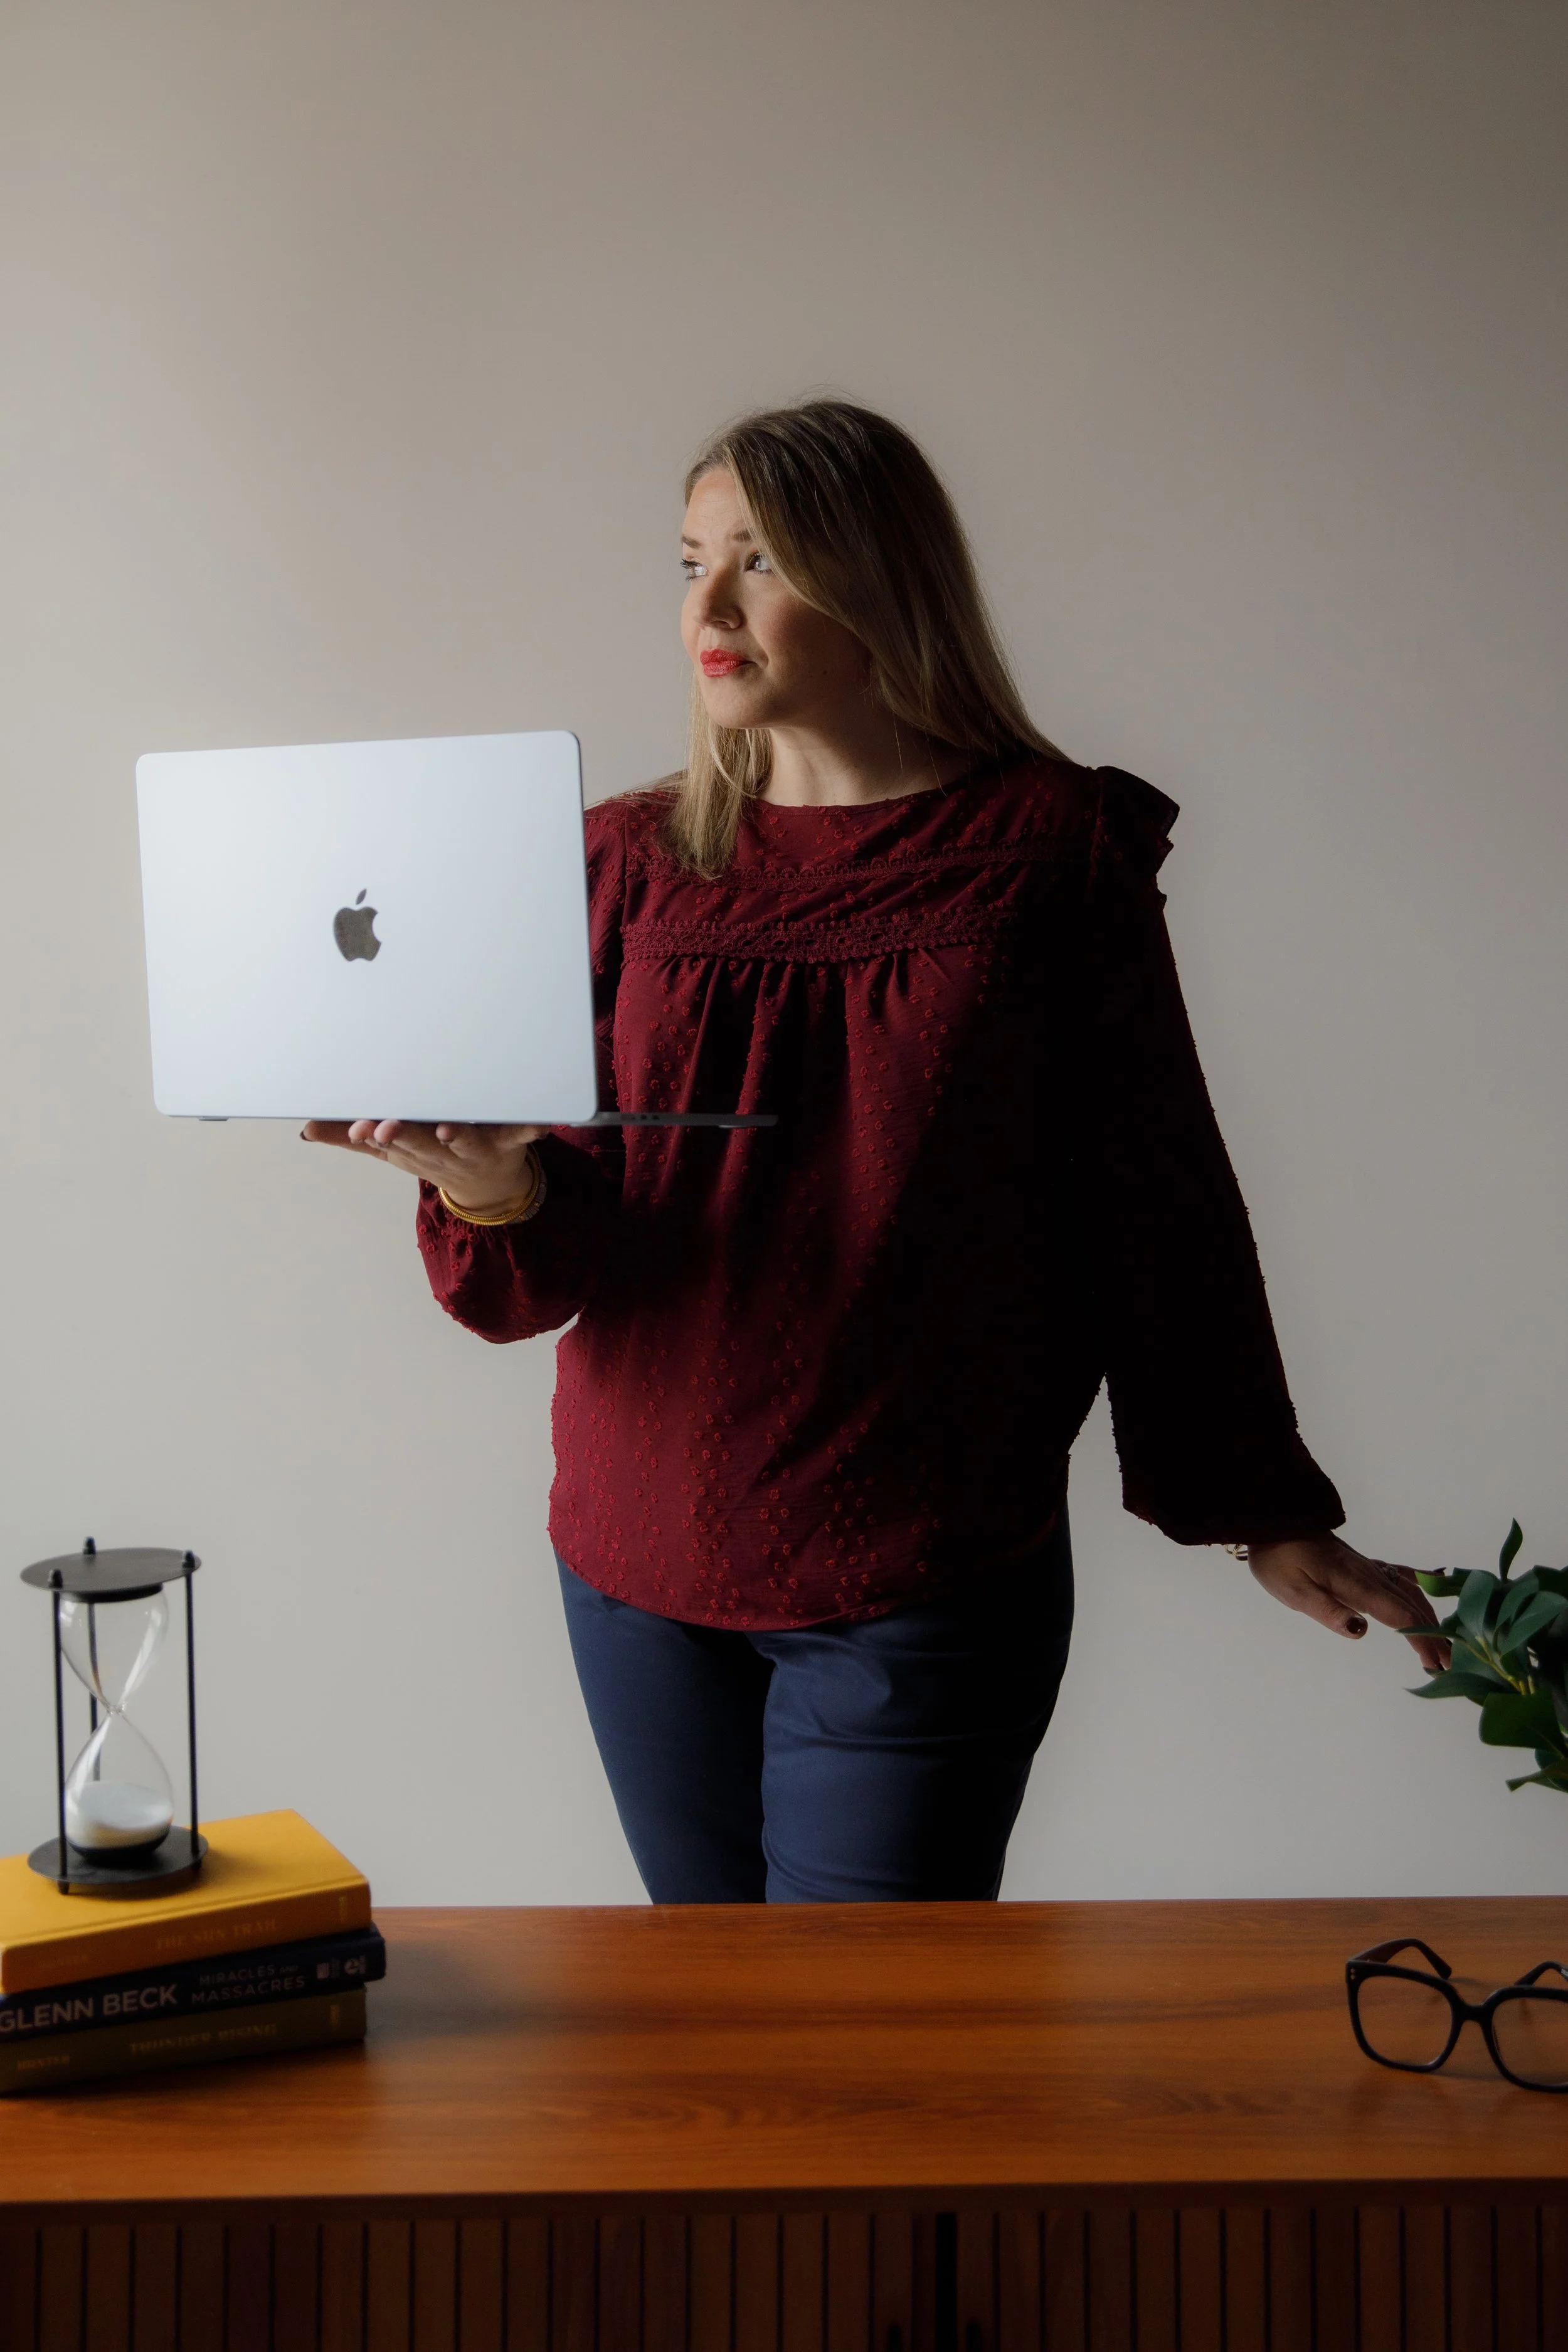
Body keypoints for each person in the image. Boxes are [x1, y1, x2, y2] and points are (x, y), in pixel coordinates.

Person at [304, 399, 1444, 1904]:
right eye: (690, 560)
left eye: (760, 560)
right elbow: (556, 1259)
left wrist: (1257, 1508)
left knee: (865, 2087)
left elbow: (1151, 1194)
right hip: (633, 1564)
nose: (707, 607)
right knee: (722, 2047)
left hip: (915, 1575)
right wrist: (484, 1183)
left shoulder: (1049, 856)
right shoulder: (618, 866)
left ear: (880, 582)